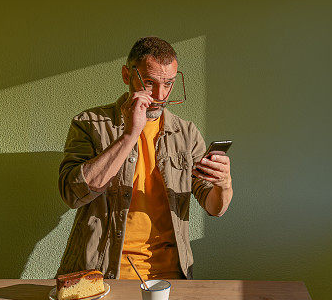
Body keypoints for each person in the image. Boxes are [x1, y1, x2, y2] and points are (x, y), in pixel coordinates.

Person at [56, 36, 233, 280]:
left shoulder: (186, 133)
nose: (160, 95)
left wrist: (223, 184)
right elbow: (72, 195)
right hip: (102, 273)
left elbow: (215, 208)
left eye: (169, 83)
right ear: (127, 76)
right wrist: (129, 135)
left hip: (172, 274)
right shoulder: (89, 124)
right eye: (149, 83)